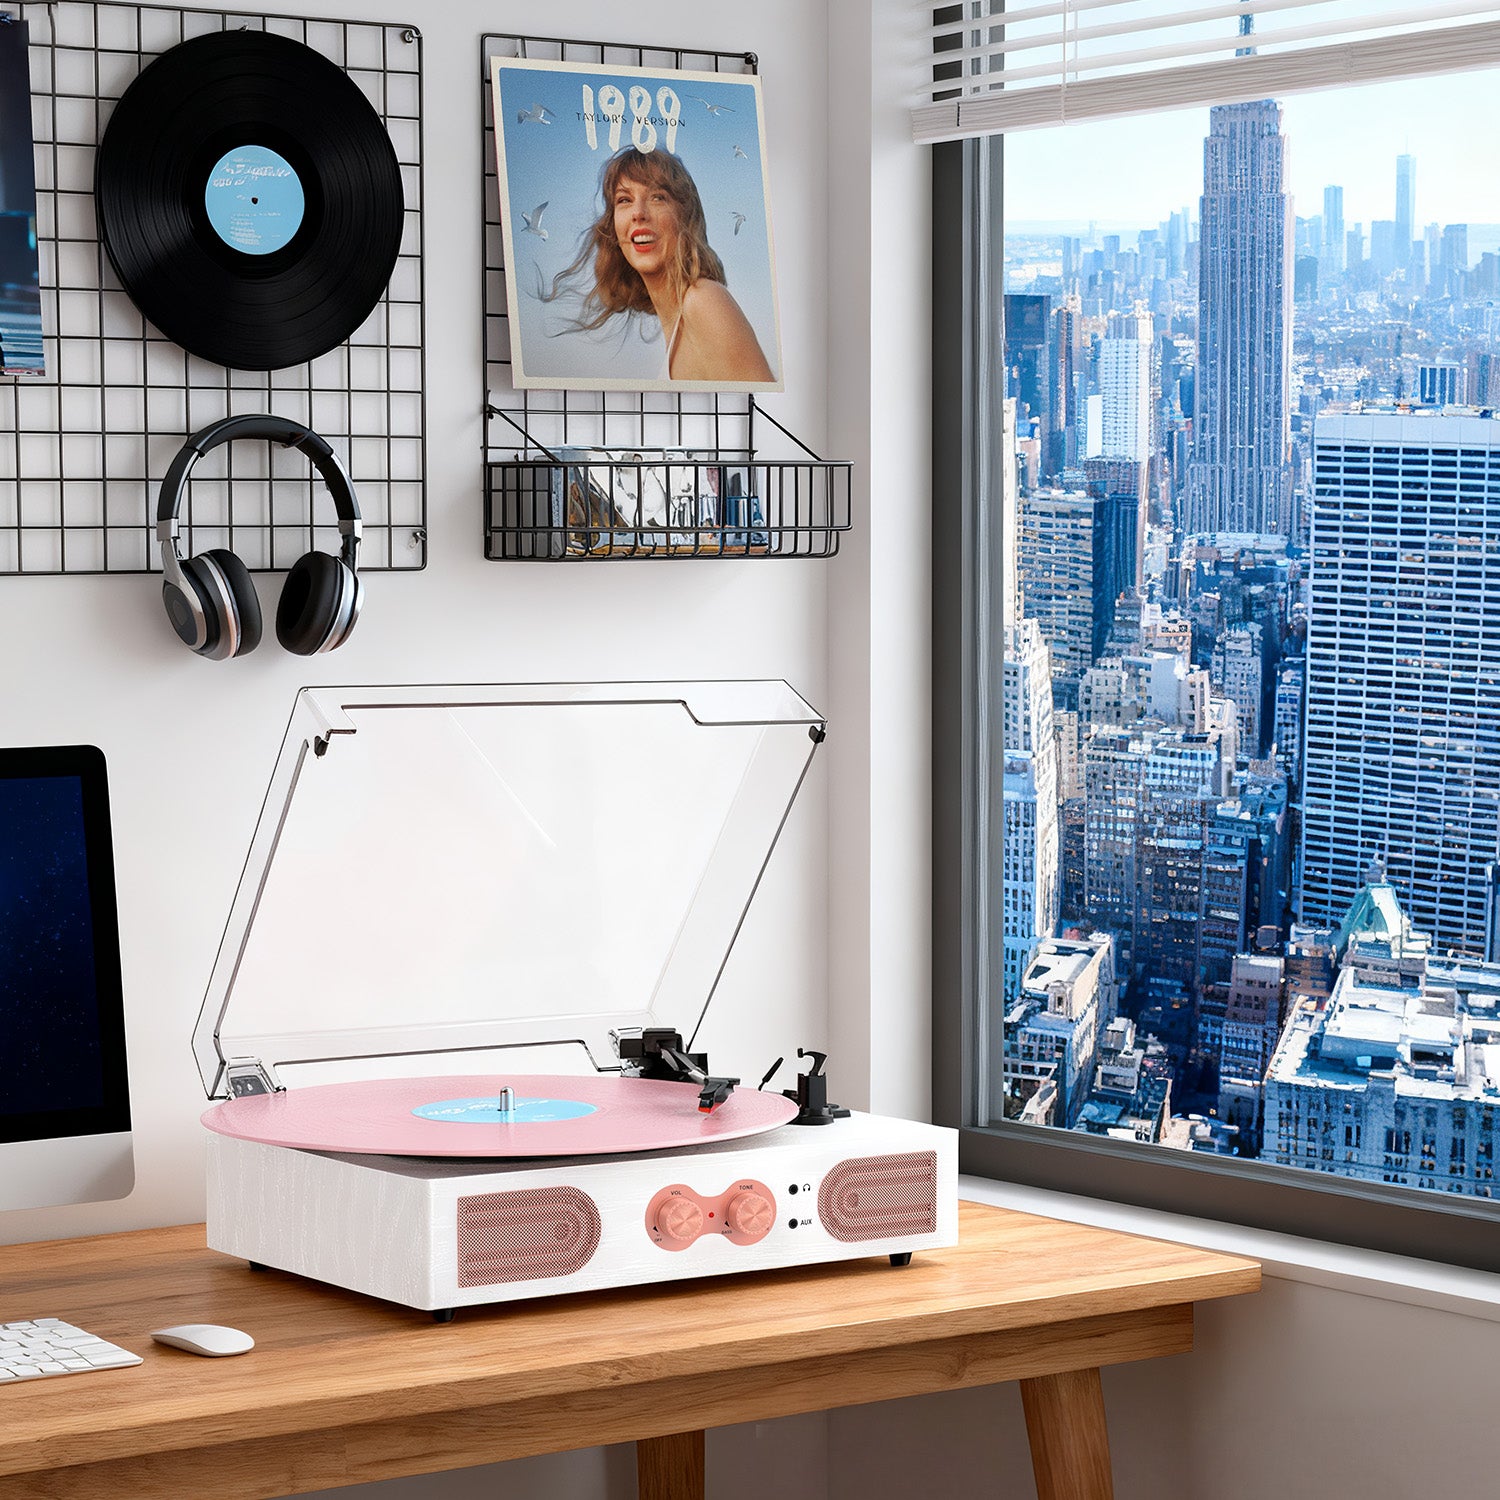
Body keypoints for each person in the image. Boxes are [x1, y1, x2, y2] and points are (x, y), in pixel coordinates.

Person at [546, 146, 774, 384]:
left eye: (657, 197)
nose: (638, 213)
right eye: (624, 200)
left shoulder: (703, 299)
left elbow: (759, 402)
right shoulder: (680, 323)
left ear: (684, 215)